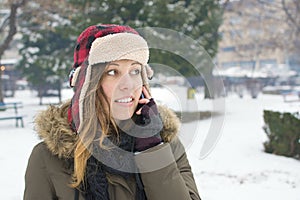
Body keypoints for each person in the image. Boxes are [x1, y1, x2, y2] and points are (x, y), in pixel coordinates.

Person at [24, 24, 201, 200]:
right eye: (112, 71)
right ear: (87, 84)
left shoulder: (165, 144)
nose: (128, 85)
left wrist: (151, 150)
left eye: (135, 71)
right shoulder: (48, 158)